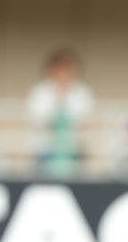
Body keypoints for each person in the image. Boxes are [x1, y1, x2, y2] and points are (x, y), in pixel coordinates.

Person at [26, 48, 94, 178]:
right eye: (61, 67)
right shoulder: (40, 91)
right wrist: (58, 101)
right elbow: (38, 121)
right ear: (52, 69)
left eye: (68, 68)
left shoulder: (82, 91)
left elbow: (83, 122)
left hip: (74, 153)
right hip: (45, 151)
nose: (64, 72)